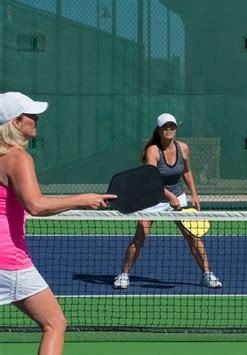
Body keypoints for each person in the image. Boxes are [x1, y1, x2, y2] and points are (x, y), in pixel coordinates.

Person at [0, 92, 116, 355]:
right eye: (31, 115)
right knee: (55, 323)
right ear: (16, 122)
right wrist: (83, 200)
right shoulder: (18, 159)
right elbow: (36, 205)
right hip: (10, 262)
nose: (37, 119)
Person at [114, 113, 222, 289]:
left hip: (178, 196)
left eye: (172, 126)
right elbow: (151, 180)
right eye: (165, 126)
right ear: (159, 129)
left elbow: (186, 171)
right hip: (152, 198)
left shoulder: (183, 148)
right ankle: (124, 275)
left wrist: (194, 194)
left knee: (193, 237)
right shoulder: (153, 151)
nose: (169, 129)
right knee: (140, 235)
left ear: (176, 129)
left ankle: (207, 274)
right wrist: (168, 196)